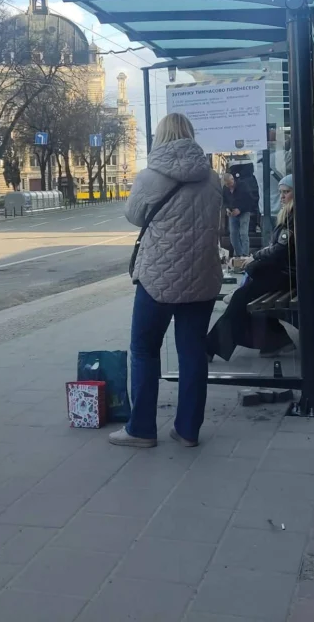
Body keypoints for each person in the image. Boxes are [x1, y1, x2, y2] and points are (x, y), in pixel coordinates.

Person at [111, 113, 222, 448]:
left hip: (157, 280)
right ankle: (188, 430)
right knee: (192, 352)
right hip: (202, 277)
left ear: (159, 137)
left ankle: (141, 429)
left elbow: (134, 216)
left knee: (145, 350)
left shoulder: (148, 178)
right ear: (190, 135)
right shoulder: (212, 178)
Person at [207, 176, 296, 362]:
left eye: (286, 192)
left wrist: (254, 258)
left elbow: (280, 249)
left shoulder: (294, 216)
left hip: (286, 276)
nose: (282, 196)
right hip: (286, 274)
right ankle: (276, 340)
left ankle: (209, 348)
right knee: (244, 301)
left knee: (240, 300)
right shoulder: (290, 214)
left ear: (296, 193)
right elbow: (278, 248)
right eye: (281, 192)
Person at [223, 169, 258, 257]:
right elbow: (224, 201)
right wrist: (227, 209)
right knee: (233, 235)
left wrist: (240, 209)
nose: (229, 186)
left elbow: (250, 200)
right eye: (227, 185)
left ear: (233, 180)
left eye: (230, 184)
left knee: (243, 233)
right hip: (232, 212)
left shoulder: (243, 186)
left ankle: (245, 254)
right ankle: (239, 254)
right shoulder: (225, 189)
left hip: (244, 211)